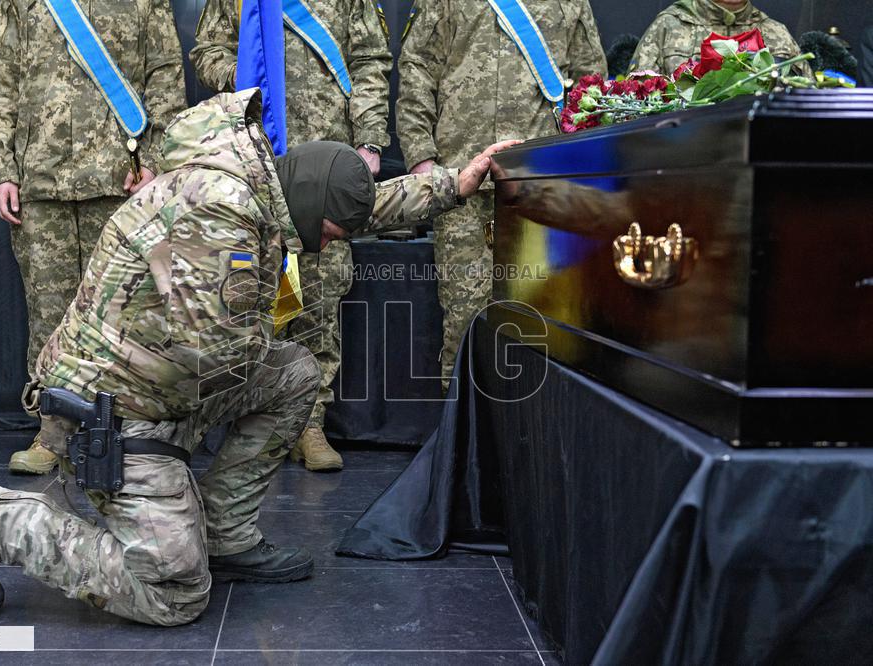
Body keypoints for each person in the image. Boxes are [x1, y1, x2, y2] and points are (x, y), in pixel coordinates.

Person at [0, 89, 516, 626]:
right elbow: (213, 352)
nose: (332, 243)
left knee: (293, 374)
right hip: (114, 410)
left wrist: (453, 184)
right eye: (332, 234)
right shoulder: (224, 211)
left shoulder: (261, 183)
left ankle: (224, 536)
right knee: (174, 593)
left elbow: (359, 205)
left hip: (164, 382)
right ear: (311, 205)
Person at [0, 0, 187, 475]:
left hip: (120, 185)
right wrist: (1, 171)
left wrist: (153, 161)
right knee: (50, 317)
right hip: (41, 184)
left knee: (125, 318)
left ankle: (125, 432)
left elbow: (167, 82)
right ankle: (52, 433)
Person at [191, 0, 392, 471]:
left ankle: (310, 422)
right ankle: (246, 421)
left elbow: (368, 60)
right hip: (255, 159)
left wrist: (368, 139)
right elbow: (206, 52)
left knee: (319, 297)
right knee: (248, 294)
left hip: (326, 165)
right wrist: (248, 74)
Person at [397, 0, 606, 392]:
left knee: (544, 323)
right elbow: (416, 68)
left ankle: (532, 445)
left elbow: (590, 84)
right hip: (460, 183)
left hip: (541, 186)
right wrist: (421, 158)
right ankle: (462, 446)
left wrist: (578, 167)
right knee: (464, 324)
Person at [631, 0, 809, 76]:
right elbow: (635, 105)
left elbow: (807, 103)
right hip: (684, 147)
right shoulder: (668, 27)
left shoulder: (775, 32)